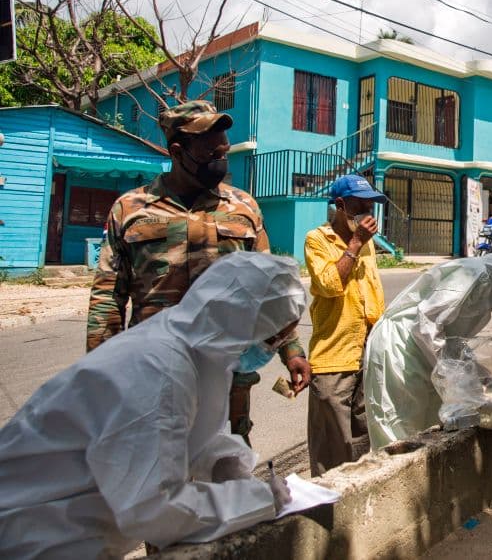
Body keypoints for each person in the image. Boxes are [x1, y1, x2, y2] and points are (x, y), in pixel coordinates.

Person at [0, 253, 305, 558]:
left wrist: (223, 460)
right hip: (32, 538)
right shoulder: (160, 370)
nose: (274, 348)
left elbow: (188, 429)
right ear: (245, 324)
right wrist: (256, 500)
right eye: (273, 339)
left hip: (71, 532)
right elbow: (154, 508)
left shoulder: (200, 351)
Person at [86, 99, 311, 445]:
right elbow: (107, 298)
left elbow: (270, 291)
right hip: (154, 372)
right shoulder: (130, 210)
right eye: (211, 155)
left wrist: (291, 350)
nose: (221, 160)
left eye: (224, 152)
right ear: (177, 152)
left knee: (225, 477)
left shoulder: (244, 208)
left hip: (227, 375)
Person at [363, 249, 492, 449]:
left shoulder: (485, 293)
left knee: (430, 427)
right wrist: (453, 378)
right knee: (399, 426)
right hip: (400, 348)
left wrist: (489, 381)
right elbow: (426, 323)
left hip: (423, 352)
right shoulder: (473, 275)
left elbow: (452, 343)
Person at [304, 174, 387, 476]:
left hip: (366, 350)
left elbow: (373, 291)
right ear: (340, 205)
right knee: (332, 439)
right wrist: (354, 243)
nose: (369, 212)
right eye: (361, 205)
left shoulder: (368, 245)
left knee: (363, 433)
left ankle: (360, 492)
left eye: (371, 206)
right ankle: (327, 503)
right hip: (333, 352)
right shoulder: (317, 239)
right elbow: (328, 284)